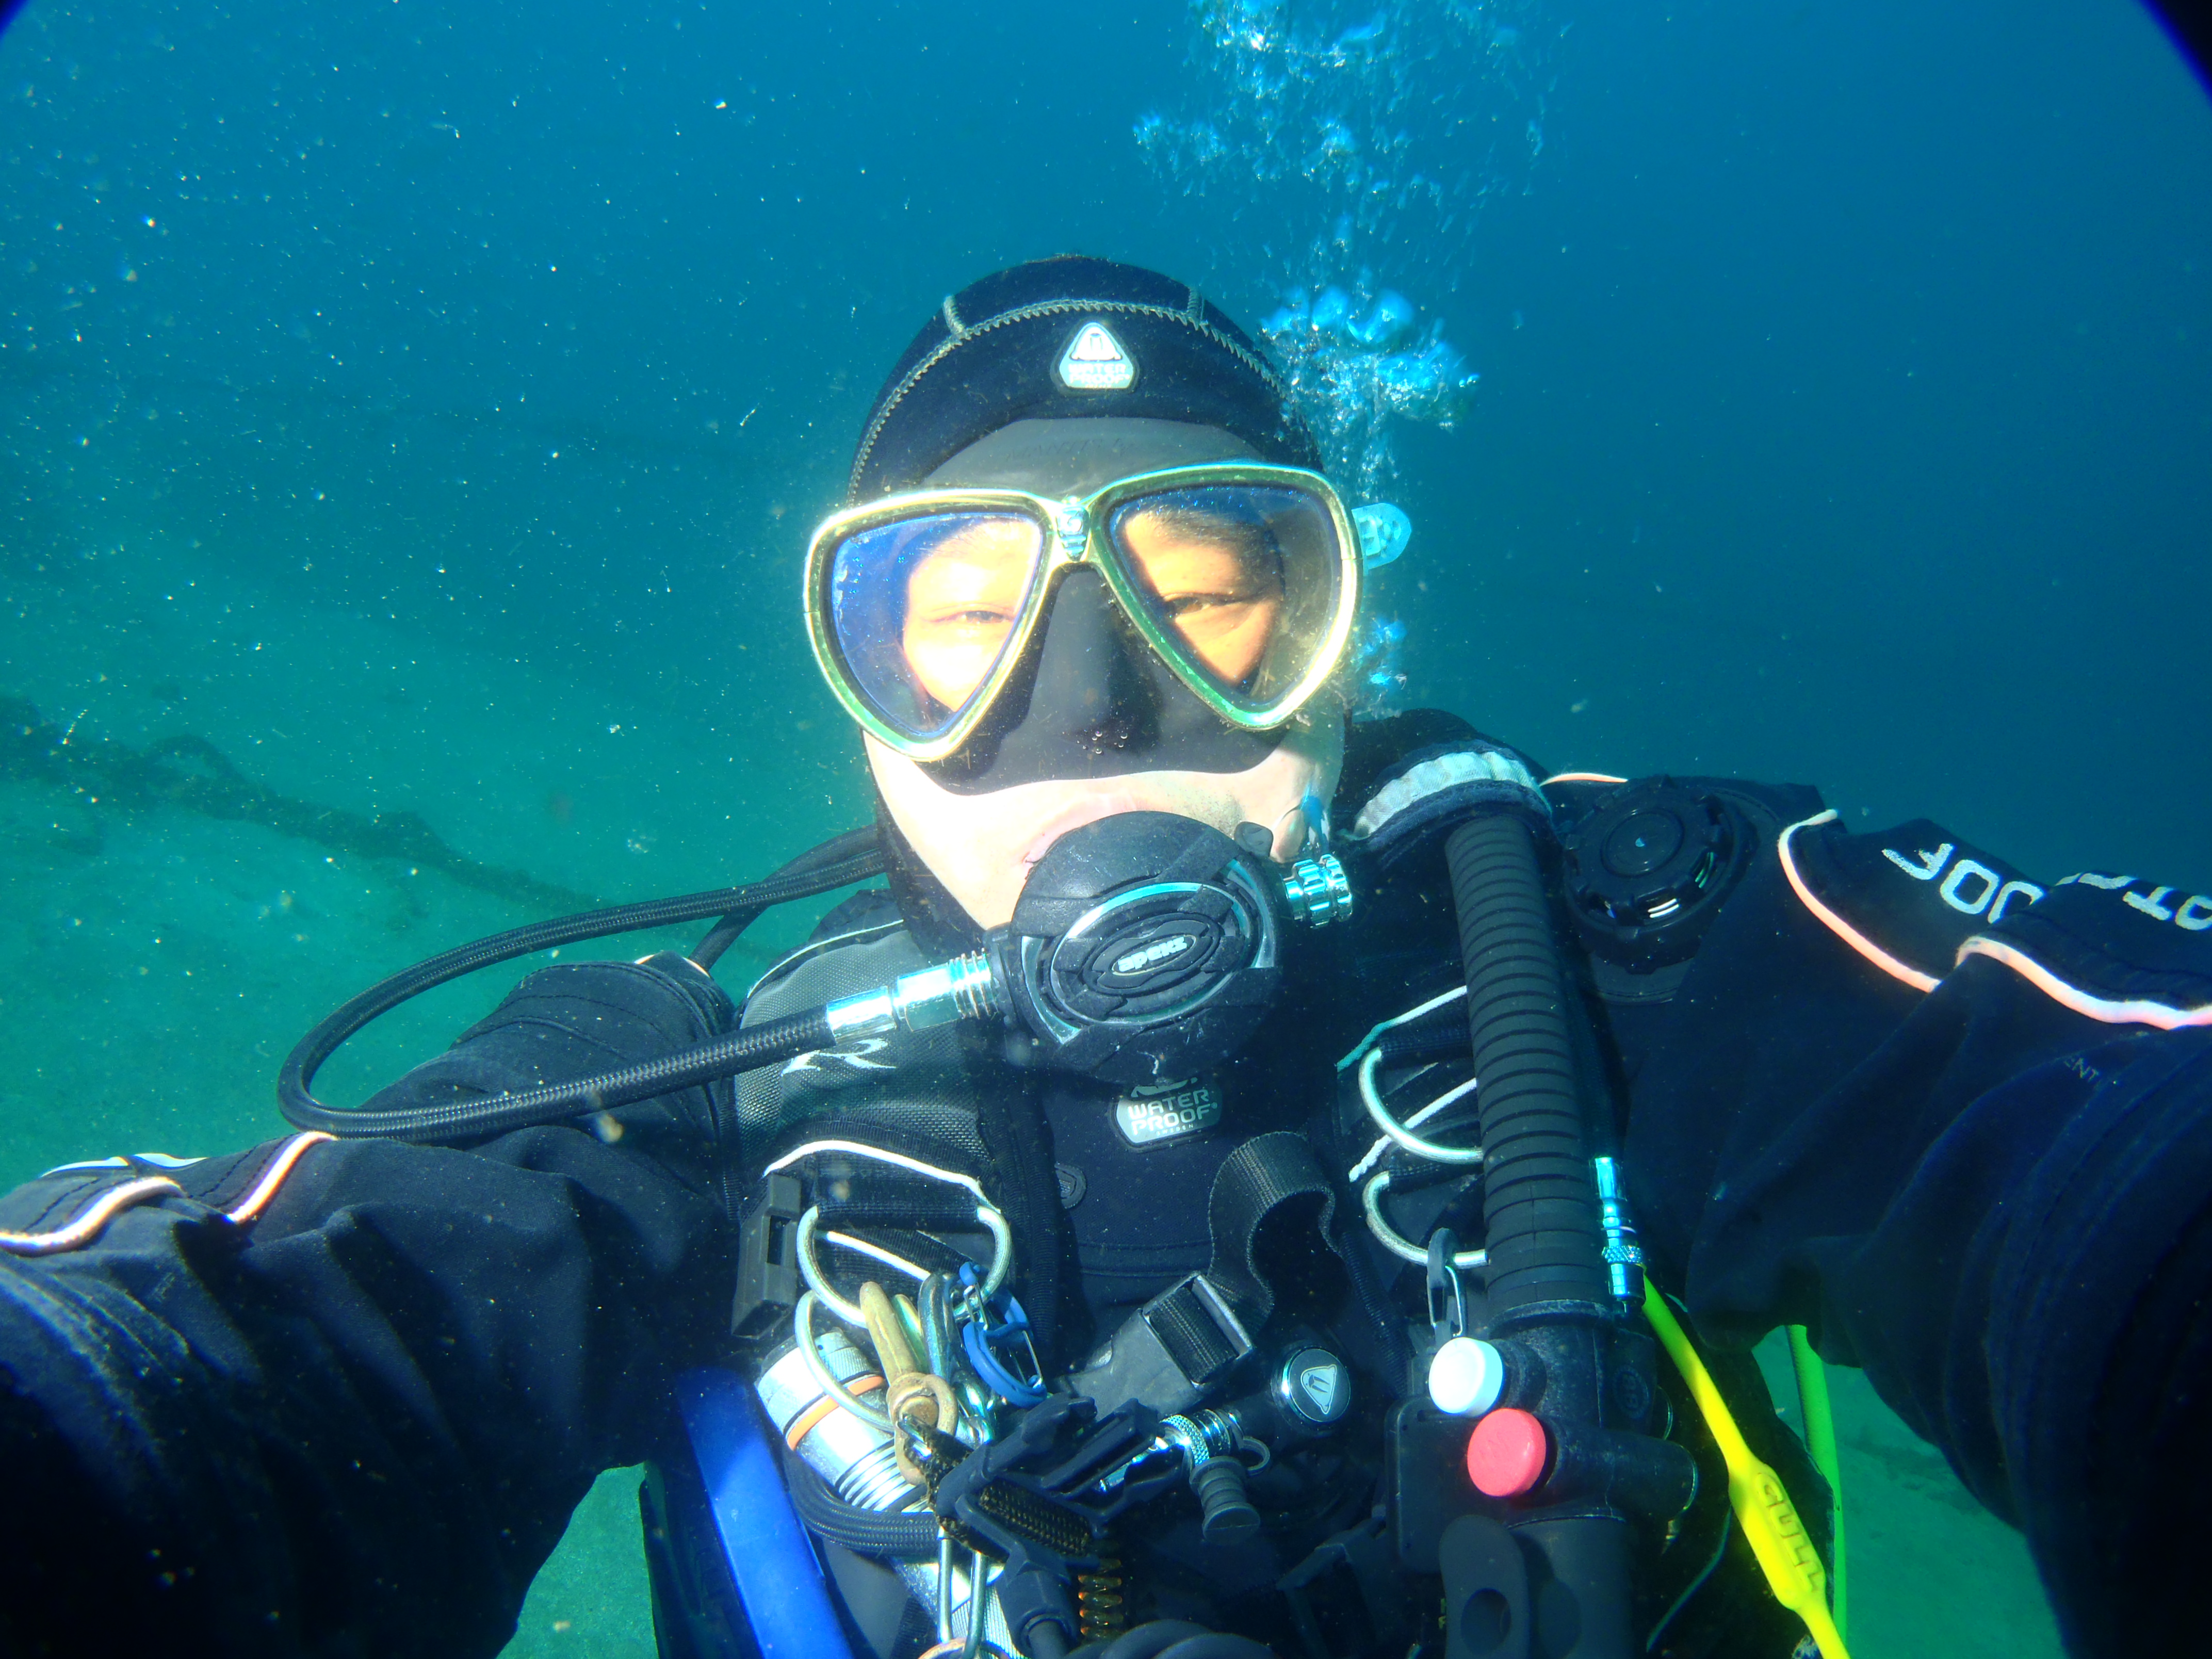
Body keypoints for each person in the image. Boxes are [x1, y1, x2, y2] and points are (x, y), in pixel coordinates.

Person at [1, 255, 2207, 1659]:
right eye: (964, 618)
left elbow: (2081, 1117)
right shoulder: (687, 1095)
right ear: (861, 695)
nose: (1096, 706)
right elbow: (259, 1344)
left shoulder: (1612, 950)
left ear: (1340, 652)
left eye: (1217, 591)